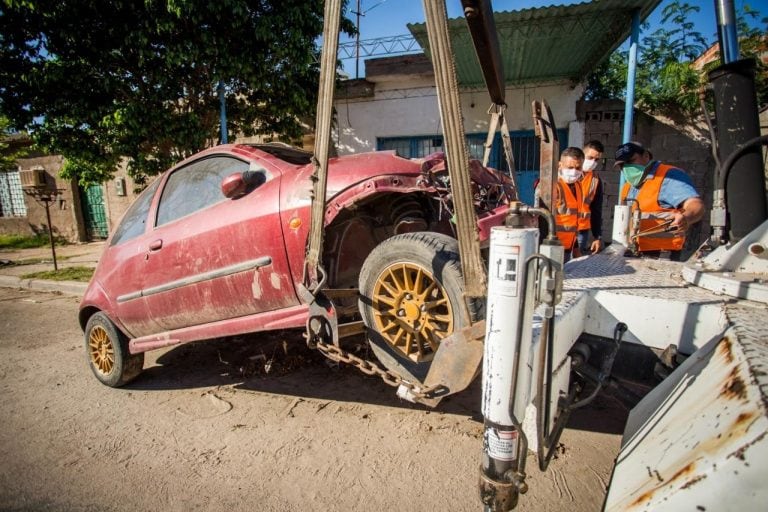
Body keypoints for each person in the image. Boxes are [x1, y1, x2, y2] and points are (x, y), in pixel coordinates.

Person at [614, 141, 705, 259]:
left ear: (646, 156)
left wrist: (686, 217)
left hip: (662, 255)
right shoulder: (628, 186)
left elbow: (695, 204)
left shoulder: (669, 176)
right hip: (633, 252)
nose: (627, 168)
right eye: (622, 165)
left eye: (631, 161)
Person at [535, 147, 586, 260]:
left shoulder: (578, 186)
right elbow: (541, 219)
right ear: (560, 165)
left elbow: (573, 221)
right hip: (551, 248)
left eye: (578, 167)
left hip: (568, 248)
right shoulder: (550, 185)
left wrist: (576, 248)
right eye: (570, 167)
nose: (574, 171)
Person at [577, 140, 605, 255]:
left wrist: (597, 236)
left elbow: (596, 210)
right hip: (559, 229)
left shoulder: (595, 180)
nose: (593, 162)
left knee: (573, 266)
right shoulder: (564, 173)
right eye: (590, 157)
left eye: (596, 159)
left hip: (581, 231)